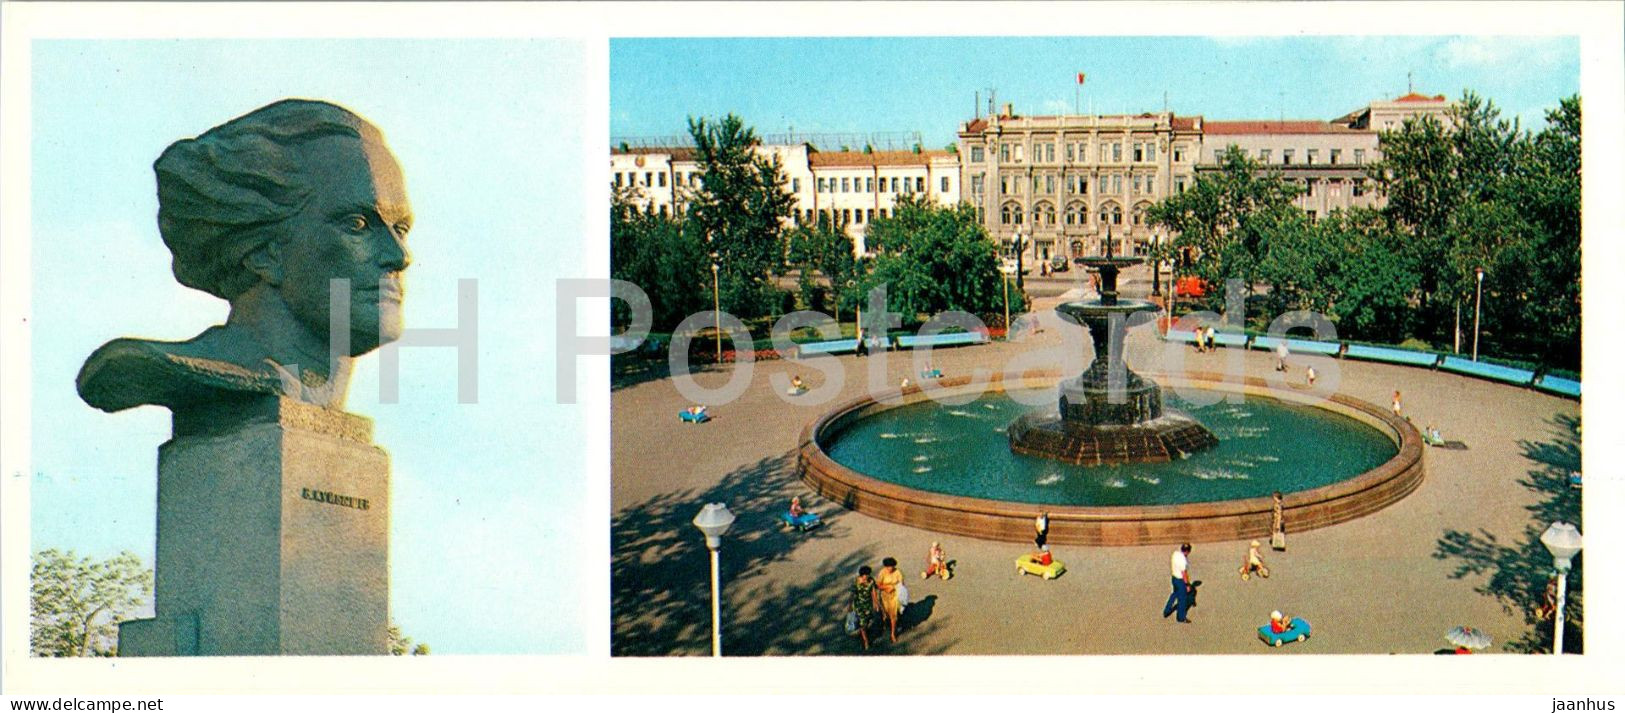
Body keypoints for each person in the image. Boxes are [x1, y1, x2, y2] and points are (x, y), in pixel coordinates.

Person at [78, 99, 414, 414]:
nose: (400, 256)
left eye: (400, 229)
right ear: (266, 251)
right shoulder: (158, 366)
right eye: (357, 224)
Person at [1162, 543, 1194, 623]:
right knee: (1182, 598)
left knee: (1174, 594)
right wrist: (1187, 584)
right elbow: (1184, 573)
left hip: (1174, 578)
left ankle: (1167, 610)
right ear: (1188, 551)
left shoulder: (1175, 554)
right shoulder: (1183, 560)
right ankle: (1181, 617)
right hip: (1180, 580)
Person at [876, 557, 904, 643]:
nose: (890, 568)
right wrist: (887, 587)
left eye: (891, 566)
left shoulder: (898, 572)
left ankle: (893, 634)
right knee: (886, 614)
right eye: (888, 567)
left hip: (894, 596)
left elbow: (901, 584)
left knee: (893, 616)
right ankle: (885, 624)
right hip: (885, 597)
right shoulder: (882, 573)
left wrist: (894, 587)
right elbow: (878, 585)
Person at [850, 566, 878, 650]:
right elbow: (853, 594)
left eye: (867, 575)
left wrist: (876, 603)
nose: (866, 577)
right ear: (861, 575)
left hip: (868, 605)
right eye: (864, 575)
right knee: (863, 623)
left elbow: (873, 593)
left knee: (868, 620)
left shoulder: (871, 581)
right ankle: (866, 641)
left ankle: (864, 631)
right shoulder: (856, 581)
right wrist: (850, 606)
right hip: (859, 606)